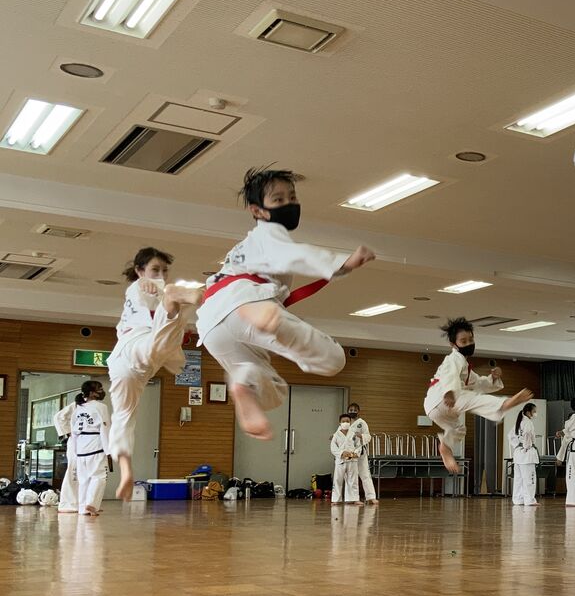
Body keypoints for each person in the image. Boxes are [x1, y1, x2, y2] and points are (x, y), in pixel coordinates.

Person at [198, 167, 376, 441]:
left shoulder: (241, 249)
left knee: (271, 388)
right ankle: (262, 316)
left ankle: (243, 380)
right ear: (258, 211)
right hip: (247, 302)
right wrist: (342, 263)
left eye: (292, 197)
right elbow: (294, 254)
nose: (289, 204)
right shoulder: (267, 233)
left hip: (211, 325)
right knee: (333, 359)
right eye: (278, 200)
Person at [107, 246, 203, 500]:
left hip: (134, 366)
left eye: (164, 270)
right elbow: (145, 290)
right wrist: (154, 287)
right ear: (140, 271)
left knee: (123, 417)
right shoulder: (138, 288)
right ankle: (177, 300)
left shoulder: (144, 291)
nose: (160, 275)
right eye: (154, 270)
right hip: (133, 348)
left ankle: (126, 472)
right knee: (163, 336)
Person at [423, 317, 533, 474]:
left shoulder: (465, 366)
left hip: (435, 409)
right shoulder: (454, 358)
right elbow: (449, 374)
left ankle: (445, 446)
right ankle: (504, 404)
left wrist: (493, 378)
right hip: (442, 398)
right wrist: (449, 392)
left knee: (459, 428)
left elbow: (479, 383)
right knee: (473, 399)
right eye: (463, 341)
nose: (468, 343)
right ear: (453, 344)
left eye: (471, 339)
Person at [70, 380, 110, 517]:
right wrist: (108, 450)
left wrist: (75, 451)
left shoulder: (78, 409)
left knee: (84, 480)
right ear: (92, 393)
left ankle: (83, 508)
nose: (102, 391)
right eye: (100, 389)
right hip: (95, 445)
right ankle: (92, 504)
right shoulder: (101, 407)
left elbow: (73, 432)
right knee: (99, 477)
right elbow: (105, 428)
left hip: (81, 448)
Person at [509, 402, 540, 507]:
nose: (535, 414)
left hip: (518, 453)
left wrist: (517, 445)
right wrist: (526, 446)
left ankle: (518, 499)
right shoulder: (527, 422)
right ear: (528, 412)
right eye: (534, 411)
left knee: (519, 479)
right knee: (529, 478)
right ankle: (529, 500)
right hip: (526, 454)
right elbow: (527, 434)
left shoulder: (519, 422)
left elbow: (510, 436)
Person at [346, 402, 378, 503]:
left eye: (355, 410)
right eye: (351, 410)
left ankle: (371, 497)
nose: (353, 412)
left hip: (360, 451)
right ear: (348, 411)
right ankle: (352, 498)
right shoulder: (345, 423)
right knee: (351, 475)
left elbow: (368, 437)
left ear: (358, 411)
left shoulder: (362, 423)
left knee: (365, 474)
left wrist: (361, 436)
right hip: (349, 452)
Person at [329, 412, 362, 505]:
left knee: (353, 480)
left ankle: (354, 499)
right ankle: (336, 500)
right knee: (338, 480)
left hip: (352, 460)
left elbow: (359, 446)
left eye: (347, 421)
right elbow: (333, 448)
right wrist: (342, 453)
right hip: (341, 460)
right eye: (343, 421)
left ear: (350, 422)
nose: (345, 423)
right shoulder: (336, 435)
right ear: (340, 423)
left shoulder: (354, 434)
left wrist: (355, 454)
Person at [54, 398, 79, 514]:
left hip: (89, 444)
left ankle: (83, 503)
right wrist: (68, 432)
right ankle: (67, 503)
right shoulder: (76, 404)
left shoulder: (97, 406)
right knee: (73, 472)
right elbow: (58, 417)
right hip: (75, 442)